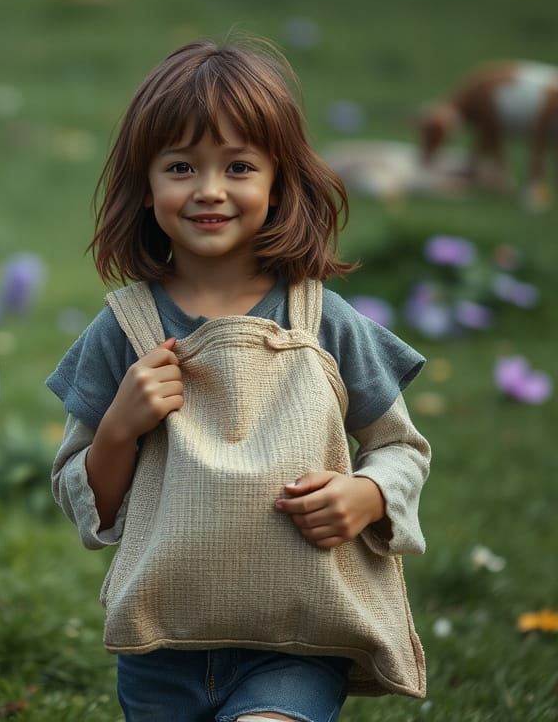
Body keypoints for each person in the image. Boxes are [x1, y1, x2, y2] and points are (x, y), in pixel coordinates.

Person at [46, 37, 431, 722]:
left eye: (239, 166)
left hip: (297, 646)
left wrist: (368, 494)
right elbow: (90, 504)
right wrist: (118, 428)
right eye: (182, 166)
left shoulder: (325, 321)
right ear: (146, 184)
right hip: (158, 652)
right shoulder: (122, 332)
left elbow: (403, 448)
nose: (209, 190)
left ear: (280, 180)